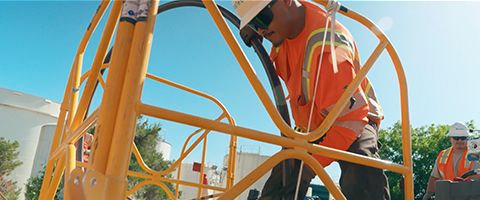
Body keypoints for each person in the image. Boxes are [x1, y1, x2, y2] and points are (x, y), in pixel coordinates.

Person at [233, 0, 390, 199]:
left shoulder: (329, 47)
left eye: (261, 18)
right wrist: (259, 27)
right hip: (311, 124)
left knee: (360, 165)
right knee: (283, 177)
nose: (261, 30)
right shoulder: (282, 30)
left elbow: (352, 118)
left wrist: (310, 165)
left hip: (354, 117)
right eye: (254, 24)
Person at [422, 122, 480, 200]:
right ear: (450, 138)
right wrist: (428, 194)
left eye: (463, 138)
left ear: (467, 138)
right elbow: (434, 177)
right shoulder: (443, 155)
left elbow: (477, 175)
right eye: (456, 137)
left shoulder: (475, 152)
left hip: (471, 195)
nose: (459, 140)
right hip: (448, 195)